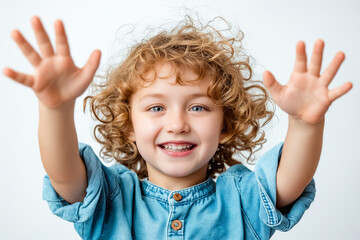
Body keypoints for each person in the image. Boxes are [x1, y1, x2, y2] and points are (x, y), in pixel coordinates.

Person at [3, 15, 352, 240]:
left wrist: (306, 124)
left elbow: (290, 181)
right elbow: (64, 175)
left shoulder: (241, 202)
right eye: (156, 107)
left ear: (225, 124)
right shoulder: (112, 200)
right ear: (128, 126)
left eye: (198, 107)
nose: (177, 124)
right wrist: (56, 109)